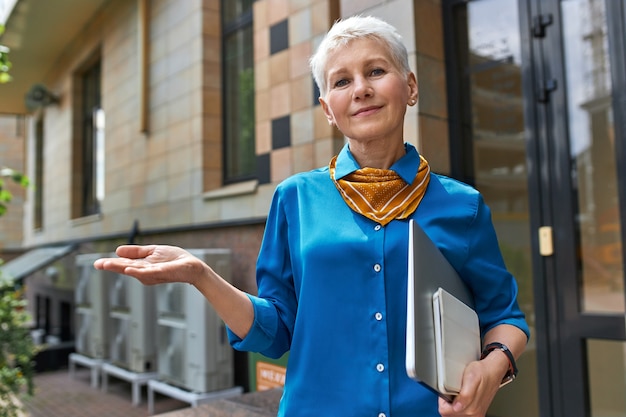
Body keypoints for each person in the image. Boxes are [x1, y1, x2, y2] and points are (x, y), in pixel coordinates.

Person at [94, 15, 529, 417]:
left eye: (376, 71)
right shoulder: (295, 199)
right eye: (342, 80)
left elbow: (505, 319)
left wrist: (492, 369)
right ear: (327, 108)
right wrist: (201, 276)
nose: (360, 88)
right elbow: (277, 330)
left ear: (411, 87)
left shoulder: (463, 205)